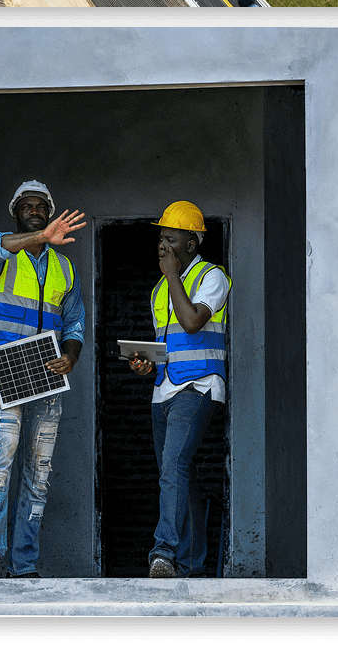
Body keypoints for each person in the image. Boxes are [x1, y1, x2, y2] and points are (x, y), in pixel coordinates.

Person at [0, 180, 86, 581]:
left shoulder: (64, 266)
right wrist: (39, 237)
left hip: (44, 374)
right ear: (15, 212)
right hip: (3, 370)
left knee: (39, 470)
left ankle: (23, 563)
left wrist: (70, 356)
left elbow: (74, 321)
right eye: (27, 205)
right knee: (1, 457)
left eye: (42, 206)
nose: (35, 209)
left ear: (49, 212)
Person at [129, 201, 230, 579]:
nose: (162, 246)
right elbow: (170, 344)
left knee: (174, 467)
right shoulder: (159, 289)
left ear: (191, 243)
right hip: (164, 388)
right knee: (176, 474)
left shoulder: (211, 276)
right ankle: (190, 565)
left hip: (199, 385)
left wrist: (172, 274)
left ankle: (164, 554)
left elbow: (191, 323)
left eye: (171, 240)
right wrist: (146, 364)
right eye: (160, 238)